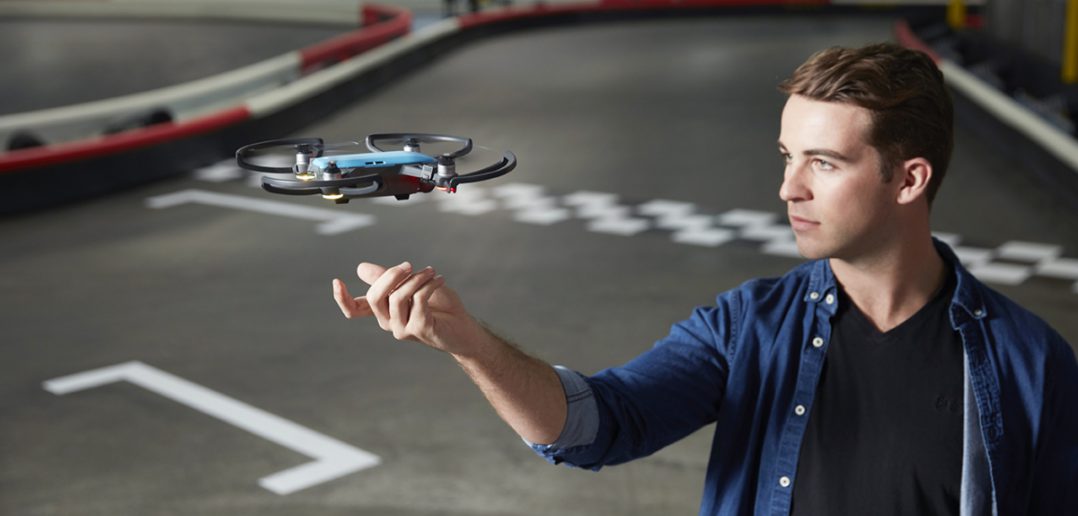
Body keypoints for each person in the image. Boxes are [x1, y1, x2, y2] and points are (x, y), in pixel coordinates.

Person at [331, 43, 1078, 515]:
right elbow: (599, 425)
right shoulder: (748, 325)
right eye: (787, 157)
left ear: (909, 179)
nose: (789, 189)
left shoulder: (1029, 363)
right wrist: (470, 343)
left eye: (823, 163)